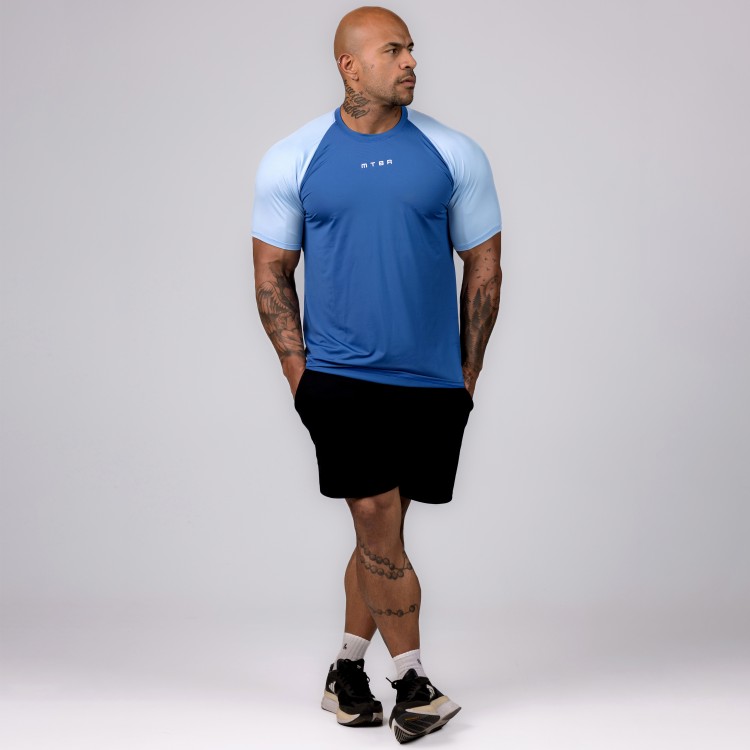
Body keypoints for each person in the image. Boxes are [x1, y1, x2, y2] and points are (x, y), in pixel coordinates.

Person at [251, 6, 502, 744]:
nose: (412, 61)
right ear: (350, 67)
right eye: (394, 50)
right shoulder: (295, 157)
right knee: (374, 518)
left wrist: (467, 374)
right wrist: (301, 377)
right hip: (341, 379)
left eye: (411, 49)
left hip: (432, 383)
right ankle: (413, 682)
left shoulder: (454, 153)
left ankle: (346, 669)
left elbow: (485, 266)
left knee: (382, 531)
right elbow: (271, 273)